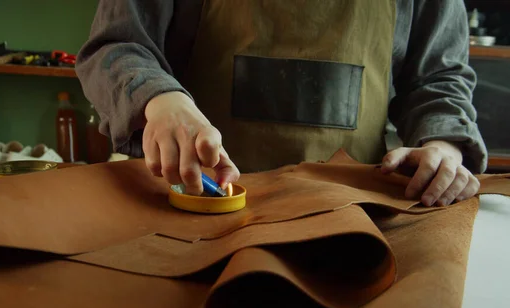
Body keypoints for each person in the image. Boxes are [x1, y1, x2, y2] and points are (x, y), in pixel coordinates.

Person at [76, 0, 487, 207]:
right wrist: (159, 99)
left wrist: (443, 147)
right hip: (194, 205)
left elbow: (437, 77)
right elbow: (119, 43)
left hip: (354, 217)